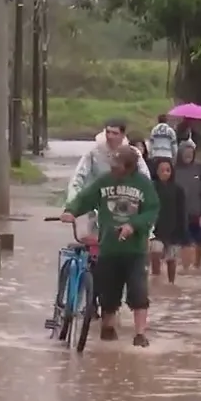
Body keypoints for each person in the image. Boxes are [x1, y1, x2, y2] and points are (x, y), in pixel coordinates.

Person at [62, 145, 159, 347]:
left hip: (136, 250)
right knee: (108, 292)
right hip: (108, 247)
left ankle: (140, 334)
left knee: (139, 292)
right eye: (112, 164)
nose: (113, 168)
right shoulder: (104, 181)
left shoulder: (143, 185)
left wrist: (134, 225)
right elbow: (86, 198)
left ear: (130, 166)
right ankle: (108, 329)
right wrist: (71, 210)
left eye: (118, 165)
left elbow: (152, 210)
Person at [68, 122, 151, 238]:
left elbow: (145, 178)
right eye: (108, 132)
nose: (110, 136)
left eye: (115, 133)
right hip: (99, 208)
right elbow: (78, 177)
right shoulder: (93, 153)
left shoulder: (132, 153)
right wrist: (73, 204)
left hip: (127, 205)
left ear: (122, 135)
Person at [173, 140, 201, 271]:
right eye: (185, 153)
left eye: (191, 153)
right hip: (180, 212)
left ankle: (198, 266)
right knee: (185, 242)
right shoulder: (173, 169)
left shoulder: (200, 168)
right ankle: (186, 269)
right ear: (180, 154)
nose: (188, 156)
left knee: (200, 241)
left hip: (198, 211)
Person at [149, 158, 187, 283]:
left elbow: (182, 211)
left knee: (172, 259)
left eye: (168, 170)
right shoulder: (151, 188)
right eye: (162, 170)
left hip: (174, 229)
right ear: (156, 171)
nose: (165, 173)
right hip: (155, 229)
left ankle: (171, 283)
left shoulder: (178, 189)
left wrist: (183, 232)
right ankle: (156, 279)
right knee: (155, 253)